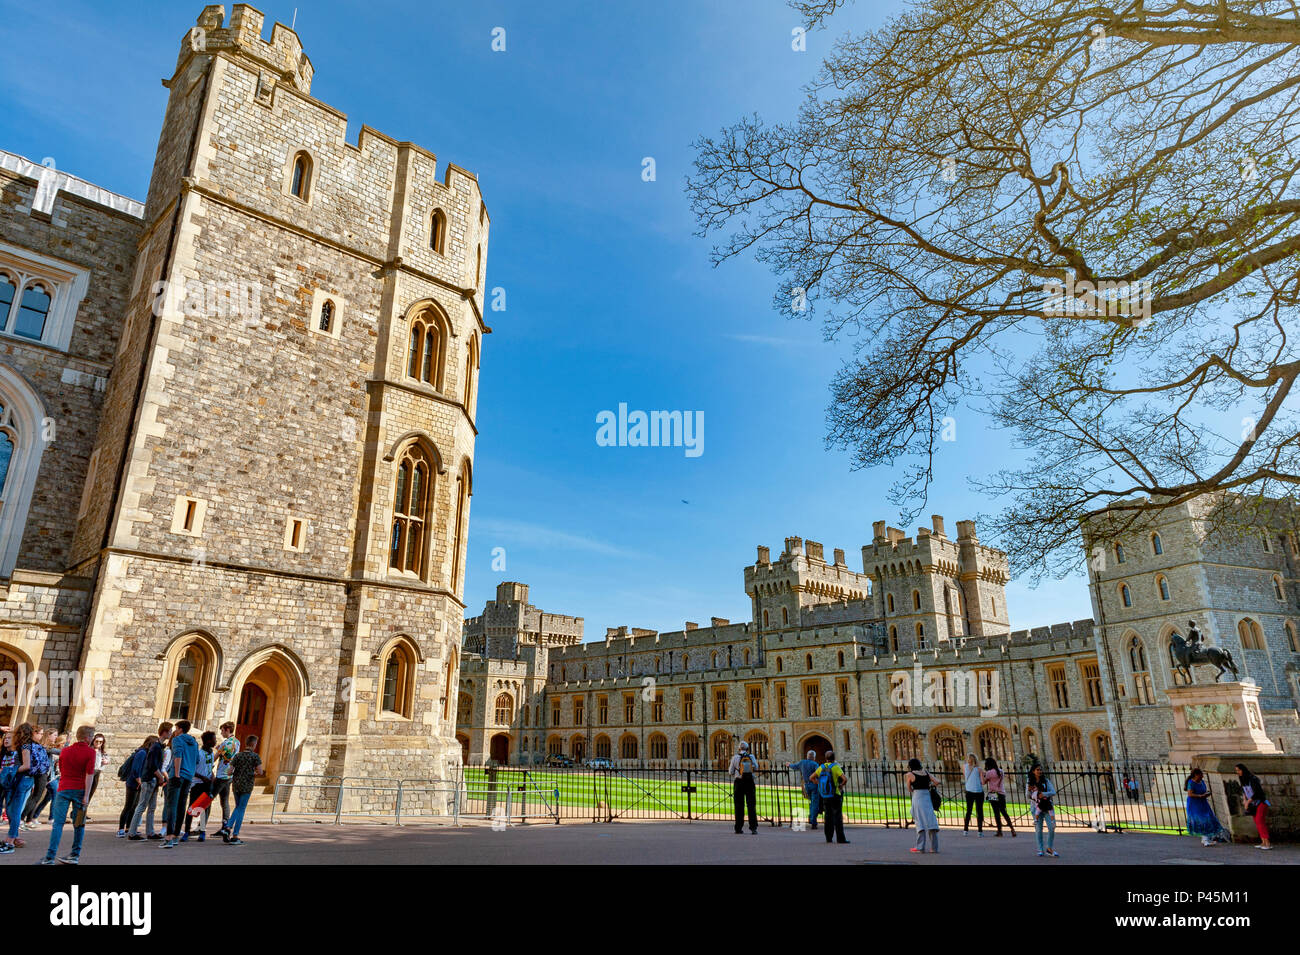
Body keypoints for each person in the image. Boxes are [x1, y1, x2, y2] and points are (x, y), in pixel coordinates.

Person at [39, 725, 97, 865]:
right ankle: (74, 855)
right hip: (80, 791)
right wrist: (87, 796)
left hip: (64, 789)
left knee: (57, 824)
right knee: (79, 824)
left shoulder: (65, 751)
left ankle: (49, 857)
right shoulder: (91, 752)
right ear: (88, 738)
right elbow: (89, 775)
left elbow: (62, 769)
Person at [128, 722, 172, 840]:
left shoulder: (159, 746)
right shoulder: (156, 746)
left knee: (152, 807)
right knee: (142, 806)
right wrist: (161, 777)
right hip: (149, 780)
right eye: (170, 731)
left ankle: (150, 832)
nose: (171, 733)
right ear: (164, 732)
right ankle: (132, 832)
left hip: (154, 780)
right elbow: (152, 765)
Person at [162, 720, 199, 848]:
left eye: (176, 728)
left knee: (172, 805)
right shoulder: (194, 742)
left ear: (180, 729)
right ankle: (176, 835)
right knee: (181, 805)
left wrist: (177, 775)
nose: (175, 731)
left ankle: (169, 837)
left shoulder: (178, 740)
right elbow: (197, 759)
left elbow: (178, 756)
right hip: (189, 776)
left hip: (178, 776)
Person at [0, 723, 35, 854]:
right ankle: (14, 836)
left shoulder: (22, 749)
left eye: (10, 737)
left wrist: (8, 771)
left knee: (13, 811)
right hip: (9, 783)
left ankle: (11, 840)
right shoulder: (5, 753)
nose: (7, 739)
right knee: (11, 811)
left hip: (17, 783)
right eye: (5, 738)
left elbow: (26, 766)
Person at [222, 735, 262, 845]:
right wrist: (253, 773)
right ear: (254, 744)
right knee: (241, 809)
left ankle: (228, 828)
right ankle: (234, 834)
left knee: (238, 807)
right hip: (247, 786)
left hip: (236, 785)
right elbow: (261, 771)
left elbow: (229, 772)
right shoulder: (255, 757)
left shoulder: (238, 756)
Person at [182, 731, 217, 842]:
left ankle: (202, 831)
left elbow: (209, 767)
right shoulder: (199, 753)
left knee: (204, 808)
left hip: (207, 784)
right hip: (197, 784)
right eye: (214, 739)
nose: (216, 741)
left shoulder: (211, 753)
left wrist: (212, 776)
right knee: (192, 808)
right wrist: (202, 777)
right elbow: (192, 770)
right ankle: (186, 831)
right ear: (208, 741)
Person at [810, 749, 849, 844]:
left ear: (826, 758)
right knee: (837, 817)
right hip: (835, 794)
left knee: (828, 817)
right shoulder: (835, 767)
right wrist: (840, 786)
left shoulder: (821, 767)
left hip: (825, 795)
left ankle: (828, 838)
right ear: (834, 758)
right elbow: (844, 779)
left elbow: (811, 777)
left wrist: (818, 784)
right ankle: (840, 838)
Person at [118, 736, 154, 838]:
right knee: (128, 806)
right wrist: (139, 781)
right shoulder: (142, 753)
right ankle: (121, 829)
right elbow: (135, 770)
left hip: (139, 783)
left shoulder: (146, 753)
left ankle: (129, 827)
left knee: (134, 807)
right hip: (133, 783)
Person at [209, 722, 240, 834]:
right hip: (230, 775)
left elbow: (215, 758)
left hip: (221, 775)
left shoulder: (225, 743)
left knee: (208, 798)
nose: (221, 733)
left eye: (222, 730)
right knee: (224, 801)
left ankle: (200, 827)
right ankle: (224, 827)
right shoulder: (237, 742)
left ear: (227, 730)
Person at [1183, 768, 1224, 847]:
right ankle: (1205, 839)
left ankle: (1206, 838)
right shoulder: (1191, 782)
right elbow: (1190, 794)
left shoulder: (1202, 782)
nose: (1202, 777)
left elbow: (1204, 790)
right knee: (1202, 820)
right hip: (1194, 804)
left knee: (1209, 819)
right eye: (1201, 775)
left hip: (1203, 802)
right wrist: (1200, 796)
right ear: (1196, 775)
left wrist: (1206, 794)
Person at [905, 757, 939, 853]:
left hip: (917, 797)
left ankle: (920, 847)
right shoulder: (926, 773)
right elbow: (937, 782)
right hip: (927, 797)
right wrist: (930, 786)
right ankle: (934, 848)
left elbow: (909, 788)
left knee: (920, 822)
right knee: (931, 821)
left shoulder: (910, 774)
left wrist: (914, 790)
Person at [19, 727, 50, 830]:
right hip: (40, 774)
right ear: (34, 733)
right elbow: (36, 762)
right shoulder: (30, 745)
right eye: (40, 734)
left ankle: (28, 819)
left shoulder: (36, 745)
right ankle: (22, 818)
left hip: (41, 773)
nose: (41, 736)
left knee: (35, 797)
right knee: (35, 797)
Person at [1235, 763, 1271, 850]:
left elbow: (1258, 793)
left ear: (1243, 770)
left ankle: (1267, 843)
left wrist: (1248, 801)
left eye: (1238, 770)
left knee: (1260, 821)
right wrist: (1244, 800)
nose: (1237, 772)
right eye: (1236, 770)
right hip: (1253, 804)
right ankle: (1263, 842)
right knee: (1257, 822)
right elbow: (1244, 791)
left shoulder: (1253, 779)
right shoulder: (1243, 779)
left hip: (1261, 802)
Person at [728, 740, 759, 835]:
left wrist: (738, 771)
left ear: (739, 748)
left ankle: (738, 828)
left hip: (739, 782)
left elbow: (730, 771)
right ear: (747, 748)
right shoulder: (751, 756)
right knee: (751, 805)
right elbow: (756, 767)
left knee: (739, 805)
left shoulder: (735, 757)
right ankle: (753, 828)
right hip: (749, 782)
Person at [1027, 764, 1058, 857]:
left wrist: (1044, 794)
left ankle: (1049, 848)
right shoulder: (1029, 782)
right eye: (1037, 770)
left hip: (1048, 807)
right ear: (1033, 771)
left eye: (1041, 770)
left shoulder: (1046, 781)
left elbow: (1053, 792)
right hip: (1036, 807)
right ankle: (1040, 849)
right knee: (1039, 829)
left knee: (1052, 827)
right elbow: (1027, 795)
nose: (1040, 771)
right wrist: (1036, 797)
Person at [788, 749, 821, 830]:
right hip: (814, 784)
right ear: (814, 757)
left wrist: (789, 765)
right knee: (815, 803)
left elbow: (794, 767)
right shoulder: (814, 764)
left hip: (806, 785)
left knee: (811, 802)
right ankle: (813, 821)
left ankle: (811, 817)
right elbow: (819, 772)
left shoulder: (802, 762)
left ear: (807, 756)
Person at [983, 757, 1015, 837]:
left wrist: (982, 775)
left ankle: (999, 831)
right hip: (1001, 794)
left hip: (993, 794)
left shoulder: (989, 773)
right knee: (1004, 812)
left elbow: (984, 782)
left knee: (996, 813)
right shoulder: (1001, 771)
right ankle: (1012, 829)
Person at [85, 733, 108, 822]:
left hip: (97, 772)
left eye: (101, 742)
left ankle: (84, 812)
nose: (98, 743)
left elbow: (107, 760)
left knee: (91, 793)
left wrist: (106, 761)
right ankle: (79, 812)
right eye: (97, 741)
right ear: (93, 741)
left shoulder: (102, 752)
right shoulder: (89, 750)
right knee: (85, 793)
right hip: (90, 772)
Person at [962, 753, 985, 836]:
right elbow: (982, 782)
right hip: (978, 791)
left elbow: (966, 776)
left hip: (969, 791)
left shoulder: (964, 767)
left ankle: (965, 830)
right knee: (979, 811)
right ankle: (980, 831)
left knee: (968, 811)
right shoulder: (979, 769)